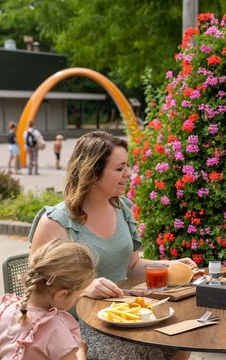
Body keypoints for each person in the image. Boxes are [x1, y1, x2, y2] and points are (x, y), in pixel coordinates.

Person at [28, 130, 194, 360]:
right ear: (93, 174)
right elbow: (36, 289)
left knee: (182, 338)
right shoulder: (55, 222)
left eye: (127, 166)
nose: (128, 174)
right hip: (76, 325)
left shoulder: (122, 208)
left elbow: (130, 265)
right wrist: (85, 290)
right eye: (119, 168)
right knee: (133, 351)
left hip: (123, 317)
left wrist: (169, 265)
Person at [0, 239, 96, 360]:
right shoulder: (55, 329)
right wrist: (81, 350)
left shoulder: (4, 310)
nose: (78, 298)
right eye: (78, 294)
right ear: (61, 295)